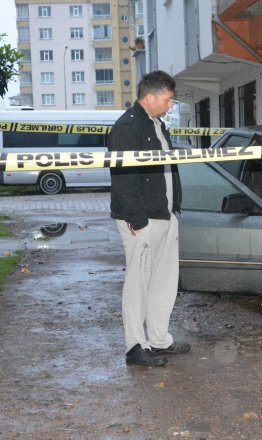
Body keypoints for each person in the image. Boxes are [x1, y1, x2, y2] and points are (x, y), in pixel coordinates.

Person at [109, 70, 190, 367]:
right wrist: (138, 220)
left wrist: (173, 209)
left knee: (164, 282)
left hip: (166, 216)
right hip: (141, 220)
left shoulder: (157, 125)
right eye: (168, 100)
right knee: (138, 283)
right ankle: (135, 346)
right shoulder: (127, 127)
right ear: (151, 96)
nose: (170, 106)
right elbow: (124, 177)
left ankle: (158, 338)